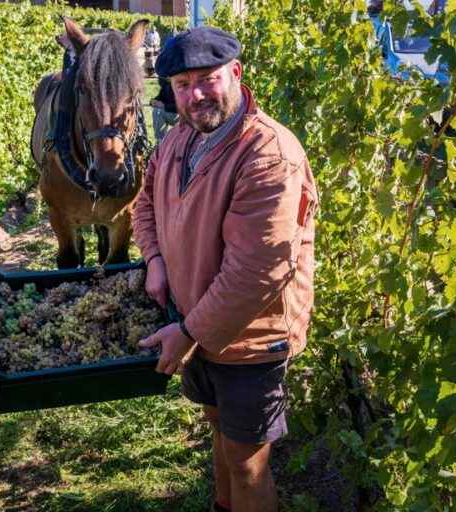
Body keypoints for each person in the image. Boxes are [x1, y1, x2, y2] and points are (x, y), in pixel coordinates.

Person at [133, 27, 318, 512]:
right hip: (197, 325)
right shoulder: (179, 137)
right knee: (219, 433)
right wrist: (155, 260)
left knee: (247, 462)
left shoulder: (268, 155)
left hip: (252, 337)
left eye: (207, 79)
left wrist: (189, 331)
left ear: (234, 73)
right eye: (181, 84)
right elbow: (145, 205)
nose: (194, 95)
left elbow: (257, 272)